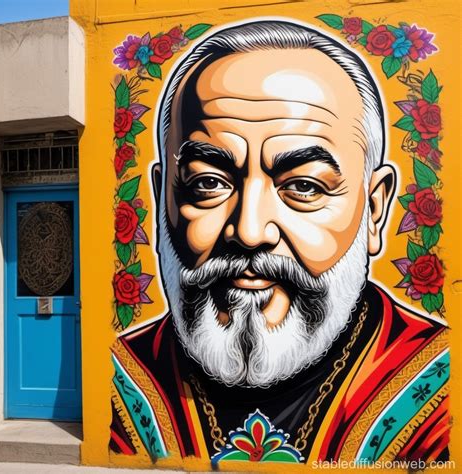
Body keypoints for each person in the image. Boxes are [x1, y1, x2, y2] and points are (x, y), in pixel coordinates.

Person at [109, 20, 449, 466]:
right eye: (208, 183)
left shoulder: (439, 393)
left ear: (373, 209)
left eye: (304, 187)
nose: (250, 232)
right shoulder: (123, 383)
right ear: (163, 201)